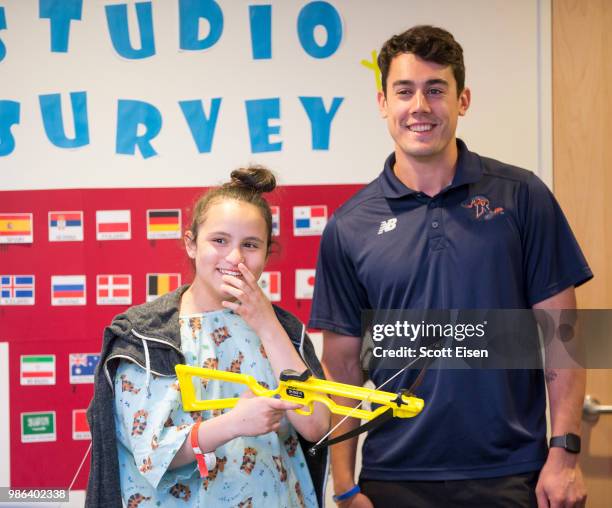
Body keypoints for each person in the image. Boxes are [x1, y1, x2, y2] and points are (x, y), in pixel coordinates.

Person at [309, 25, 591, 507]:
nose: (420, 106)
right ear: (383, 103)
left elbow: (562, 334)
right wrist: (343, 485)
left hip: (511, 473)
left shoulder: (522, 196)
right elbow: (343, 368)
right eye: (404, 91)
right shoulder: (349, 226)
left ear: (462, 100)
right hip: (393, 476)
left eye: (435, 90)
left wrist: (564, 454)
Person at [86, 167, 330, 507]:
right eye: (219, 241)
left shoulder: (285, 329)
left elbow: (317, 425)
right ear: (191, 244)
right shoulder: (146, 334)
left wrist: (266, 323)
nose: (235, 258)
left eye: (250, 245)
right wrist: (234, 424)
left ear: (267, 251)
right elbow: (152, 455)